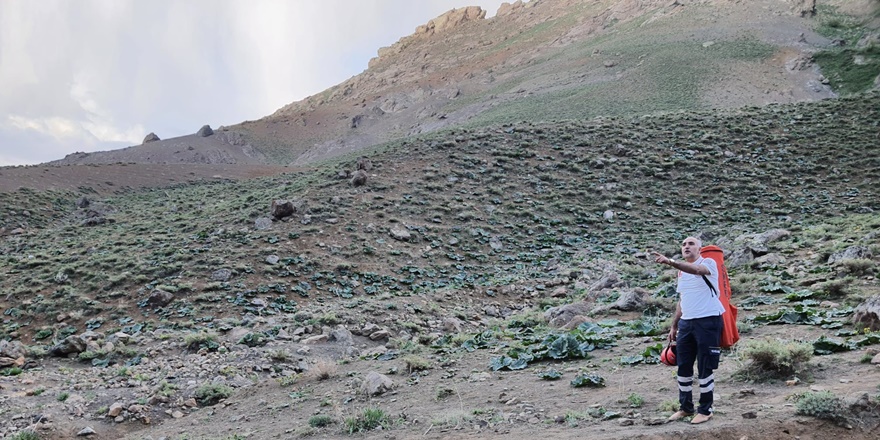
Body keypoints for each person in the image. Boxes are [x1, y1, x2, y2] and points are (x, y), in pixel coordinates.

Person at [653, 236, 725, 425]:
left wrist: (670, 262)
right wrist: (674, 324)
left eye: (691, 244)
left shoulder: (708, 262)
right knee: (683, 366)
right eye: (684, 244)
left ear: (699, 248)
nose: (686, 246)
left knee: (705, 366)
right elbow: (682, 299)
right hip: (686, 323)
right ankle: (685, 408)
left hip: (708, 320)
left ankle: (706, 410)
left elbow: (697, 270)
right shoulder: (681, 272)